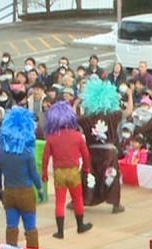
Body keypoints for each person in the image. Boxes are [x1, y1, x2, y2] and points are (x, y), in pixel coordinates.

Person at [0, 107, 44, 249]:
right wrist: (40, 189)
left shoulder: (1, 153)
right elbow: (34, 174)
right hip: (26, 192)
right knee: (30, 227)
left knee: (11, 226)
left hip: (9, 191)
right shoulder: (27, 153)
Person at [42, 102, 92, 239]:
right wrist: (87, 169)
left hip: (59, 172)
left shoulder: (51, 138)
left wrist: (44, 173)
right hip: (74, 171)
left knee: (59, 201)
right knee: (77, 199)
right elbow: (86, 154)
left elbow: (45, 157)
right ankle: (80, 226)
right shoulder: (77, 136)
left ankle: (60, 231)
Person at [78, 78, 124, 214]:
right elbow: (128, 111)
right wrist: (131, 95)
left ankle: (80, 200)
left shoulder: (86, 118)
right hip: (109, 153)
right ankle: (116, 204)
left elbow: (77, 117)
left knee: (88, 175)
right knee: (112, 175)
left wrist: (78, 104)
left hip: (91, 152)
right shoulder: (113, 116)